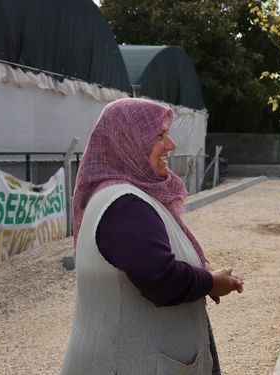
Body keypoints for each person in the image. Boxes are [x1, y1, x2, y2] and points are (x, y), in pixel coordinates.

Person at [61, 98, 243, 375]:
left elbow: (150, 259)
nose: (171, 145)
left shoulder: (125, 196)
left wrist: (202, 271)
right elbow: (160, 278)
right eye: (159, 135)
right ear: (128, 141)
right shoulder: (124, 204)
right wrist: (210, 282)